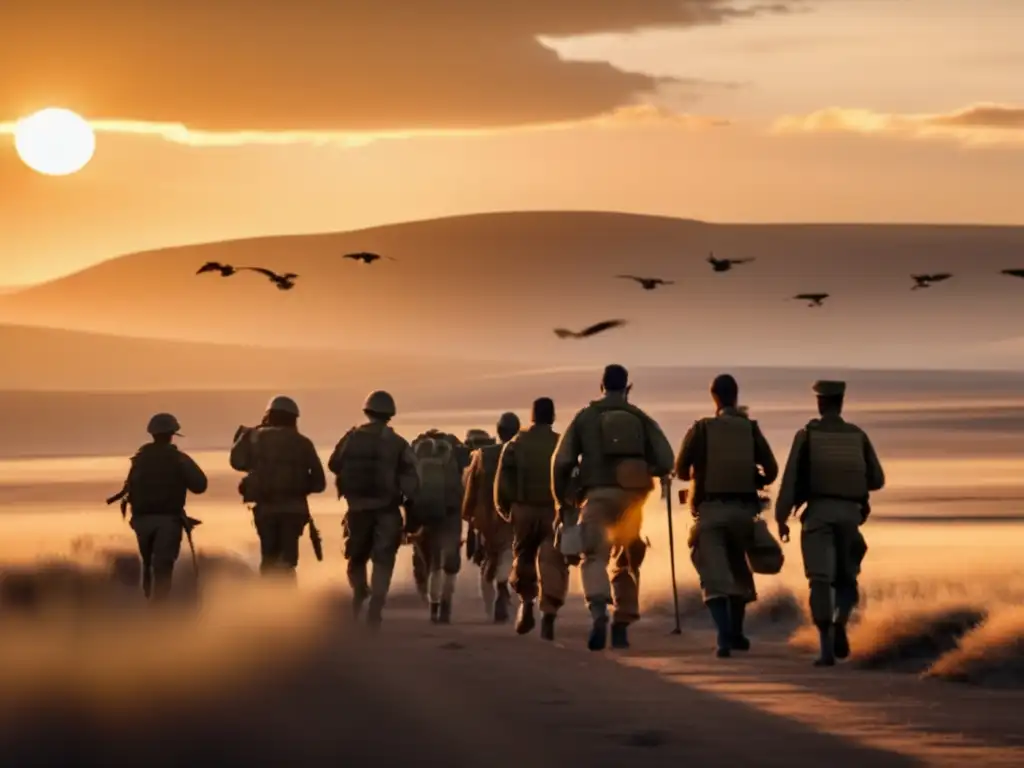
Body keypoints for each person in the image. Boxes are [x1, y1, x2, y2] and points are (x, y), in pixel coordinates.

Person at [552, 364, 674, 651]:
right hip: (632, 501)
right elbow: (667, 460)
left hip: (596, 497)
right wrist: (644, 469)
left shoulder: (585, 417)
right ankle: (622, 622)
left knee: (594, 556)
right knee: (626, 559)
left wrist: (562, 500)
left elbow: (562, 461)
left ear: (601, 386)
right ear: (628, 387)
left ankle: (598, 612)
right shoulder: (641, 418)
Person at [774, 380, 885, 666]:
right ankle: (841, 621)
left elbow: (790, 481)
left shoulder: (807, 436)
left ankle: (825, 649)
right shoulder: (857, 435)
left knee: (820, 581)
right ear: (841, 403)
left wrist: (781, 517)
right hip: (850, 516)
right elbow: (877, 479)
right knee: (847, 579)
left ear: (820, 403)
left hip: (819, 516)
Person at [675, 374, 779, 658]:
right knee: (739, 570)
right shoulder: (750, 429)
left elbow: (681, 470)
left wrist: (702, 469)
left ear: (714, 398)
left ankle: (723, 636)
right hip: (744, 513)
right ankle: (737, 633)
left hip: (710, 513)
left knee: (713, 574)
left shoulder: (701, 429)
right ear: (736, 395)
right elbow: (771, 470)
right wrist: (752, 477)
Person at [328, 390, 419, 627]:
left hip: (357, 509)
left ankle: (360, 590)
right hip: (387, 510)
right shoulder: (398, 443)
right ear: (390, 414)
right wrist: (410, 505)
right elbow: (411, 480)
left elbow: (333, 463)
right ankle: (376, 605)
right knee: (383, 559)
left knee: (355, 558)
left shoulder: (351, 437)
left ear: (367, 410)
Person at [230, 395, 326, 580]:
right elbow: (320, 483)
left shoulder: (256, 438)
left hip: (266, 510)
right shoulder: (303, 443)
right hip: (294, 510)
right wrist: (298, 486)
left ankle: (269, 600)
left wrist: (247, 436)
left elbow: (237, 462)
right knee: (287, 561)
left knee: (268, 557)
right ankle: (287, 600)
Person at [495, 398, 569, 640]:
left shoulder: (516, 443)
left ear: (532, 416)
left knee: (524, 557)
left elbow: (502, 482)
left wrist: (506, 509)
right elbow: (571, 477)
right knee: (552, 561)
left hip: (523, 511)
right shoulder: (561, 444)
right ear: (553, 417)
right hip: (553, 511)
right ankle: (548, 614)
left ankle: (527, 602)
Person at [121, 413, 208, 602]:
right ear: (172, 434)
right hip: (168, 520)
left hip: (141, 520)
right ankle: (160, 609)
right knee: (163, 567)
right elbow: (200, 485)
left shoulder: (139, 459)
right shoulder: (178, 458)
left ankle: (147, 602)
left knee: (147, 564)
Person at [462, 415, 519, 621]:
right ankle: (503, 587)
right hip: (513, 515)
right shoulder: (522, 453)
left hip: (486, 518)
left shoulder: (483, 455)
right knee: (508, 555)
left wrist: (468, 517)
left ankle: (491, 601)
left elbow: (471, 489)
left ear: (499, 431)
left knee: (488, 560)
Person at [410, 437, 464, 623]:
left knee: (433, 565)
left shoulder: (418, 465)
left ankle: (434, 607)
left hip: (427, 520)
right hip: (451, 518)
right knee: (450, 566)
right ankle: (446, 606)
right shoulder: (453, 464)